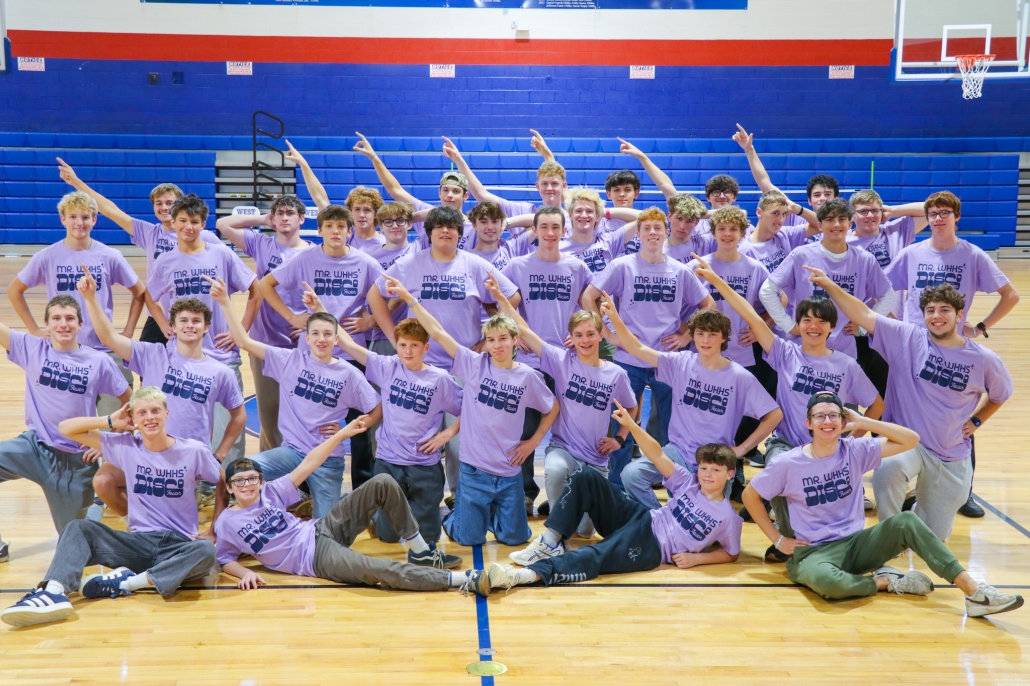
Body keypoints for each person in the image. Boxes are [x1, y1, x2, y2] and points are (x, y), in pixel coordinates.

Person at [742, 391, 1023, 617]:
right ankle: (886, 582)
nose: (827, 421)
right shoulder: (788, 463)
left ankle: (975, 593)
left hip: (856, 544)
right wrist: (778, 540)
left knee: (907, 521)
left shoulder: (855, 450)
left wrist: (864, 422)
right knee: (828, 583)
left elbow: (911, 440)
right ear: (808, 423)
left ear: (843, 421)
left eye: (833, 416)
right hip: (814, 553)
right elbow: (750, 495)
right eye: (819, 416)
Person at [693, 255, 883, 558]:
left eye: (821, 321)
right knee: (779, 465)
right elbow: (752, 317)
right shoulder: (785, 353)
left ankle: (830, 539)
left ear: (832, 327)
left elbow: (876, 405)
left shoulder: (846, 365)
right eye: (807, 319)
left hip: (829, 447)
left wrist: (851, 439)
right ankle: (788, 538)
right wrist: (717, 281)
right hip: (788, 443)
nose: (813, 326)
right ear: (798, 325)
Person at [808, 267, 1013, 542]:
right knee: (887, 471)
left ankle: (914, 515)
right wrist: (829, 284)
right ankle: (889, 537)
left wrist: (977, 420)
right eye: (930, 310)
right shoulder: (907, 338)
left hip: (949, 454)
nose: (936, 317)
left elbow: (1000, 394)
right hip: (906, 444)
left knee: (933, 537)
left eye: (944, 310)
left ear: (959, 315)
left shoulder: (984, 359)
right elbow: (864, 314)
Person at [0, 387, 226, 628]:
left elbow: (221, 478)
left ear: (167, 414)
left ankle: (126, 583)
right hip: (138, 544)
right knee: (78, 528)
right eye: (142, 413)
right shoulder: (125, 445)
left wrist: (215, 528)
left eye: (155, 411)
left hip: (180, 545)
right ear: (134, 419)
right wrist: (109, 420)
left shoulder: (192, 451)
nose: (149, 417)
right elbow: (65, 428)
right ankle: (53, 591)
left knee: (205, 551)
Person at [468, 402, 741, 596]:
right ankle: (550, 541)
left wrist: (697, 560)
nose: (706, 474)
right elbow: (657, 454)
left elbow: (731, 553)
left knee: (593, 555)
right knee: (588, 477)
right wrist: (632, 425)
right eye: (704, 468)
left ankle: (522, 576)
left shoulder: (728, 517)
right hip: (641, 518)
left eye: (715, 470)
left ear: (730, 474)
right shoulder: (688, 482)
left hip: (652, 547)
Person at [384, 275, 558, 547]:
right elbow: (439, 332)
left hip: (509, 473)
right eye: (491, 339)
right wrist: (409, 299)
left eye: (503, 339)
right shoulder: (473, 365)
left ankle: (487, 515)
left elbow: (552, 405)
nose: (497, 345)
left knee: (515, 538)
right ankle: (459, 517)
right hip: (474, 472)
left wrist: (534, 441)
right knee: (469, 539)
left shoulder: (528, 377)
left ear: (515, 340)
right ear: (485, 342)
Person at [217, 422, 476, 595]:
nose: (247, 485)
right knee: (379, 569)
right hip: (316, 558)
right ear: (229, 488)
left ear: (261, 482)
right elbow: (224, 557)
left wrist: (342, 434)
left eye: (252, 479)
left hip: (322, 527)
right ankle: (461, 580)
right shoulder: (227, 522)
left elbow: (309, 463)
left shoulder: (271, 492)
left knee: (382, 482)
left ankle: (421, 551)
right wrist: (245, 572)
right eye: (239, 481)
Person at [884, 191, 1020, 519]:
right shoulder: (912, 253)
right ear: (927, 217)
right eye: (933, 213)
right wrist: (892, 324)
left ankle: (963, 491)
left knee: (957, 419)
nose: (939, 218)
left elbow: (1010, 295)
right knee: (906, 415)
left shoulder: (972, 255)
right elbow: (884, 290)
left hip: (951, 344)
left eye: (945, 212)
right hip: (913, 347)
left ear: (957, 217)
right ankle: (908, 485)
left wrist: (980, 327)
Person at [369, 206, 520, 497]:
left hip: (461, 367)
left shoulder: (474, 264)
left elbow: (511, 297)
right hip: (419, 367)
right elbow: (375, 294)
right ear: (429, 233)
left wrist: (487, 341)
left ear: (460, 234)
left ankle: (459, 497)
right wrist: (394, 337)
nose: (445, 231)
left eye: (451, 227)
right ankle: (407, 496)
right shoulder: (409, 263)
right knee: (415, 435)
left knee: (457, 440)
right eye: (439, 227)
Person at [484, 274, 636, 558]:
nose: (585, 340)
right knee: (553, 471)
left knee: (587, 531)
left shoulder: (617, 374)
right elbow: (525, 331)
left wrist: (620, 438)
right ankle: (557, 535)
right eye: (578, 335)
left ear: (601, 335)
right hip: (563, 449)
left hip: (596, 459)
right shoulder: (561, 361)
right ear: (571, 338)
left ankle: (572, 523)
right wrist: (502, 298)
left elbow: (631, 407)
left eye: (591, 334)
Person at [208, 276, 382, 518]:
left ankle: (322, 504)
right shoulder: (289, 360)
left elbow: (376, 408)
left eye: (328, 334)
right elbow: (243, 341)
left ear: (336, 339)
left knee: (326, 533)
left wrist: (352, 428)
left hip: (327, 461)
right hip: (291, 453)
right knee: (237, 474)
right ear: (307, 338)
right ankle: (239, 526)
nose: (322, 339)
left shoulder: (349, 374)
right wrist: (225, 302)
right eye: (316, 334)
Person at [77, 269, 244, 517]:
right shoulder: (151, 354)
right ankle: (139, 520)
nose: (190, 326)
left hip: (183, 458)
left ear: (206, 327)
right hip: (142, 448)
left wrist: (218, 455)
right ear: (173, 326)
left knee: (178, 512)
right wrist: (90, 298)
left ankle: (179, 502)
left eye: (196, 321)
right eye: (184, 321)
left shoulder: (220, 372)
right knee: (103, 482)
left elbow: (239, 416)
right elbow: (109, 338)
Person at [602, 291, 781, 507]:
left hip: (713, 461)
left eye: (712, 334)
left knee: (702, 525)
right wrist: (615, 319)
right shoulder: (681, 363)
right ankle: (661, 521)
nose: (705, 340)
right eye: (700, 333)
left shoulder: (739, 377)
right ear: (693, 336)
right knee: (631, 475)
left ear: (723, 338)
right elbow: (637, 348)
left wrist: (742, 449)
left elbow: (774, 414)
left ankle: (682, 515)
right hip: (676, 453)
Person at [582, 206, 715, 485]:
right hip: (627, 357)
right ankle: (618, 486)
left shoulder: (679, 271)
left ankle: (673, 482)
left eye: (658, 228)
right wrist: (606, 333)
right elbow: (588, 298)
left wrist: (687, 336)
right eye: (647, 228)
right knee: (622, 422)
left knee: (671, 427)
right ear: (639, 234)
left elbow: (708, 305)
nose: (653, 232)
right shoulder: (622, 266)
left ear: (666, 232)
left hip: (666, 359)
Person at [256, 204, 382, 489]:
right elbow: (265, 284)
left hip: (350, 353)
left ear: (350, 232)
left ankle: (363, 489)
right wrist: (291, 317)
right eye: (329, 226)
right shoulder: (305, 258)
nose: (335, 231)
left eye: (341, 227)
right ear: (321, 230)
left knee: (359, 427)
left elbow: (388, 295)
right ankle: (301, 489)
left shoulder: (365, 263)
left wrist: (370, 320)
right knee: (306, 425)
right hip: (310, 353)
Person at [0, 296, 131, 563]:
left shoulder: (98, 361)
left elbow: (130, 403)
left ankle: (95, 510)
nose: (63, 324)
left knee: (76, 547)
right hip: (33, 447)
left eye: (70, 318)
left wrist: (105, 440)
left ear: (80, 324)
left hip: (75, 461)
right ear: (46, 324)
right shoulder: (31, 348)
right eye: (57, 319)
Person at [330, 311, 462, 555]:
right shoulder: (387, 367)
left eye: (414, 345)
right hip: (389, 462)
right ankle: (376, 518)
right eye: (402, 345)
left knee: (428, 538)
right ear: (396, 346)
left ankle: (432, 514)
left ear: (426, 347)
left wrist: (447, 434)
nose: (408, 351)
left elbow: (473, 409)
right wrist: (322, 309)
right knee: (388, 537)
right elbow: (348, 344)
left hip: (424, 464)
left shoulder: (440, 379)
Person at [7, 191, 144, 416]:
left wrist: (128, 331)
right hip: (65, 351)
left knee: (119, 421)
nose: (79, 223)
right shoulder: (47, 256)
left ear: (94, 220)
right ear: (63, 219)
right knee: (71, 425)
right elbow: (14, 290)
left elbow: (139, 292)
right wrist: (33, 329)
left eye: (85, 217)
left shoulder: (109, 256)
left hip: (106, 349)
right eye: (73, 217)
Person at [144, 194, 256, 468]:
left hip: (221, 355)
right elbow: (148, 296)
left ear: (203, 223)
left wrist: (240, 330)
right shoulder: (166, 261)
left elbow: (255, 289)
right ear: (174, 221)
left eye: (194, 222)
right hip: (182, 358)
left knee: (228, 426)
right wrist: (161, 323)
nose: (188, 227)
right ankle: (191, 484)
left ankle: (228, 484)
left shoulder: (220, 253)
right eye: (183, 221)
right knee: (185, 428)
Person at [57, 159, 221, 344]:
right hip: (160, 314)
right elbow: (110, 210)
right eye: (159, 203)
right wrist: (76, 182)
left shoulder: (204, 236)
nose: (164, 207)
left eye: (169, 202)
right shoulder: (149, 233)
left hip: (193, 315)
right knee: (147, 367)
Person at [684, 207, 777, 492]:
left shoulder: (754, 267)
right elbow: (680, 306)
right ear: (713, 233)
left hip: (742, 354)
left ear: (742, 233)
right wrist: (682, 334)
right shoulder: (696, 267)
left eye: (733, 230)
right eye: (722, 229)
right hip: (704, 356)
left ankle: (734, 464)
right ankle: (702, 468)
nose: (727, 234)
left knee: (744, 416)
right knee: (713, 415)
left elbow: (777, 300)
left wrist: (761, 325)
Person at [215, 194, 315, 452]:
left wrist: (309, 323)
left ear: (301, 218)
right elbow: (224, 224)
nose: (283, 218)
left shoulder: (313, 252)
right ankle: (270, 478)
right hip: (264, 341)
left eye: (289, 213)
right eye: (278, 213)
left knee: (298, 415)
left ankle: (284, 474)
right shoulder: (261, 244)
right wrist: (263, 218)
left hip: (300, 345)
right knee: (269, 418)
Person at [760, 198, 895, 362]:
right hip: (804, 349)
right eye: (830, 219)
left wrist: (865, 327)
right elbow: (767, 291)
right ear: (820, 225)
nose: (836, 224)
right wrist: (788, 325)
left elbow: (888, 296)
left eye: (842, 219)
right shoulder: (801, 255)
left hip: (844, 352)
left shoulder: (864, 260)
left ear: (850, 223)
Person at [738, 190, 818, 273]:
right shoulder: (746, 251)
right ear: (759, 212)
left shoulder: (784, 234)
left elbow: (819, 226)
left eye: (784, 214)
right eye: (775, 213)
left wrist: (798, 209)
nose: (781, 220)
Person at [847, 189, 929, 269]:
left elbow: (932, 209)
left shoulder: (895, 232)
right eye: (863, 211)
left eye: (874, 210)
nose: (870, 215)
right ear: (852, 215)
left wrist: (892, 211)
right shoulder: (842, 239)